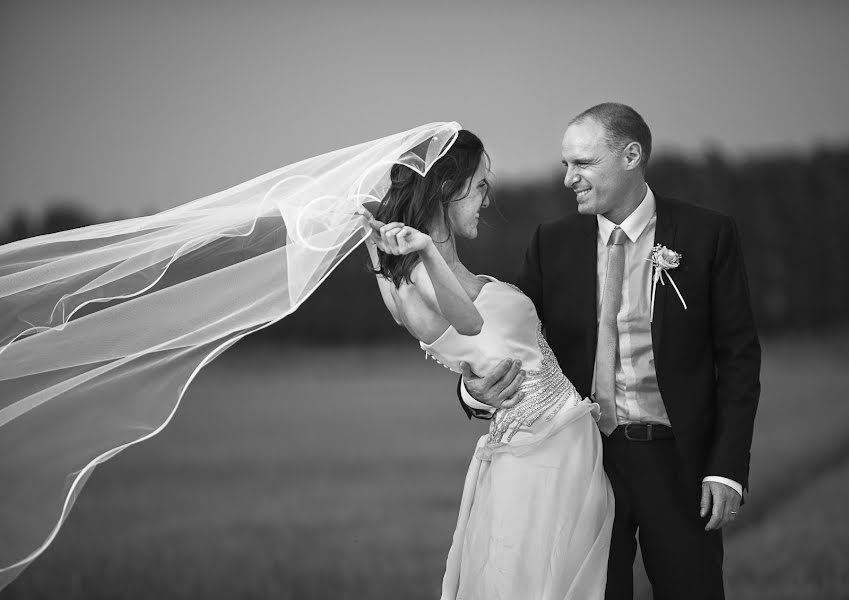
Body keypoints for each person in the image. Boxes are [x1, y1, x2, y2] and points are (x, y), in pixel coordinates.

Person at [458, 103, 761, 600]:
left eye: (583, 164)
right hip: (583, 462)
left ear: (631, 155)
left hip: (679, 465)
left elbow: (739, 358)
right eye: (565, 166)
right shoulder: (551, 242)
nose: (569, 179)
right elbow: (509, 341)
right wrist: (474, 392)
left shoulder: (709, 235)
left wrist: (726, 467)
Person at [365, 129, 614, 600]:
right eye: (480, 184)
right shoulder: (415, 279)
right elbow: (471, 324)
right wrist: (412, 247)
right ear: (446, 188)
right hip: (541, 456)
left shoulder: (438, 270)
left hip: (562, 447)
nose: (486, 197)